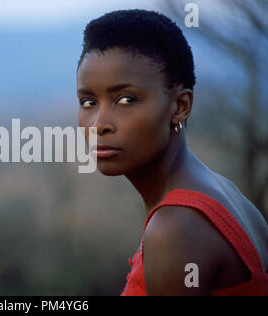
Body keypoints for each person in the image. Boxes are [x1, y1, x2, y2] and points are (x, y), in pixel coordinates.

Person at [76, 9, 267, 296]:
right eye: (88, 101)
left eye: (125, 99)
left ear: (180, 106)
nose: (99, 124)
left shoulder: (175, 229)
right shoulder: (228, 194)